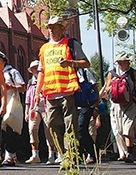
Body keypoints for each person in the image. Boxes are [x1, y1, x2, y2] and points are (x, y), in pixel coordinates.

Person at [36, 15, 90, 164]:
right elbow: (41, 71)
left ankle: (72, 156)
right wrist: (37, 92)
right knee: (52, 125)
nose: (51, 29)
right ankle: (63, 153)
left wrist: (70, 63)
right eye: (49, 27)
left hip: (67, 90)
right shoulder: (44, 48)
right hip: (50, 93)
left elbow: (86, 63)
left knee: (70, 125)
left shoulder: (70, 44)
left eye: (54, 26)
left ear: (63, 28)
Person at [99, 51, 136, 163]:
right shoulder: (112, 73)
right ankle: (122, 153)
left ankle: (129, 152)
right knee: (117, 130)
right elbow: (107, 87)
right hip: (115, 104)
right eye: (120, 62)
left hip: (130, 103)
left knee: (127, 128)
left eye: (123, 62)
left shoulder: (133, 73)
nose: (121, 64)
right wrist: (110, 88)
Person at [0, 51, 25, 167]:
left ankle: (9, 155)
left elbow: (22, 87)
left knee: (7, 128)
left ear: (3, 60)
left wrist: (12, 87)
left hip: (10, 103)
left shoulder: (12, 72)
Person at [25, 59, 54, 164]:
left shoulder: (46, 79)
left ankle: (51, 155)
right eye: (33, 68)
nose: (35, 69)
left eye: (37, 67)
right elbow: (28, 98)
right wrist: (27, 111)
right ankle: (35, 155)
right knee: (32, 129)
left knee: (48, 130)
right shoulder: (30, 82)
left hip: (46, 108)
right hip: (34, 108)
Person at [77, 67, 99, 164]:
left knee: (81, 129)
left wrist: (96, 107)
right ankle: (80, 154)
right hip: (73, 105)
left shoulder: (85, 73)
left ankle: (92, 153)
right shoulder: (66, 73)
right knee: (75, 131)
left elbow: (95, 89)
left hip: (86, 105)